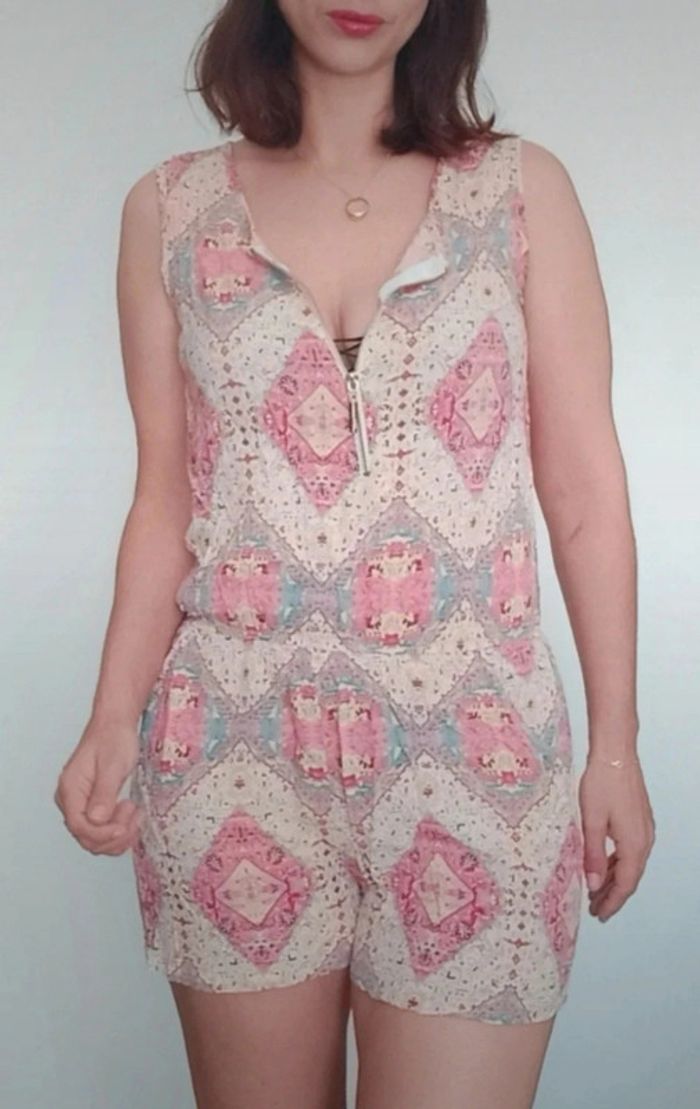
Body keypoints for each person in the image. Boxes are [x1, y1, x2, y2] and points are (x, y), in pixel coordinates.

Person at [53, 2, 656, 1107]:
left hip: (477, 750)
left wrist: (615, 743)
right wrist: (109, 714)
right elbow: (165, 496)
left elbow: (582, 490)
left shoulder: (519, 193)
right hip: (231, 749)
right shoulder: (170, 209)